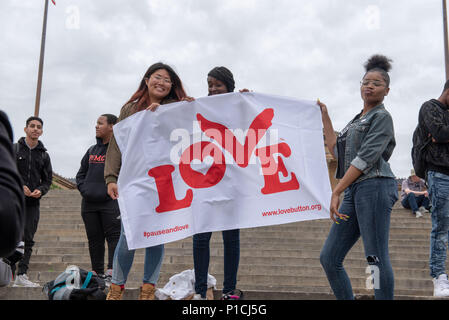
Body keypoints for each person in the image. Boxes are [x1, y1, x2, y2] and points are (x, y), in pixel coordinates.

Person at [104, 62, 188, 300]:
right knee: (127, 234)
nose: (161, 83)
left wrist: (181, 110)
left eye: (167, 80)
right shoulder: (130, 109)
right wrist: (111, 177)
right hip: (135, 179)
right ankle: (116, 289)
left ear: (172, 86)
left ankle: (147, 291)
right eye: (157, 77)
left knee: (157, 234)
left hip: (164, 179)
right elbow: (116, 145)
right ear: (147, 79)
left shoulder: (177, 108)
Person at [318, 55, 398, 300]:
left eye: (376, 83)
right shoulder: (356, 121)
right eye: (366, 81)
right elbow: (337, 152)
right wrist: (325, 115)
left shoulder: (381, 118)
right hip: (355, 190)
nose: (369, 86)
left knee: (374, 256)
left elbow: (364, 159)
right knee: (329, 258)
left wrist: (336, 189)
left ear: (386, 91)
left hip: (375, 186)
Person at [191, 66, 245, 300]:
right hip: (205, 182)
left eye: (218, 85)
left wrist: (248, 100)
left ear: (229, 86)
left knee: (231, 238)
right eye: (210, 84)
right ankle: (201, 291)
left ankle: (230, 291)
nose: (213, 89)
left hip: (231, 183)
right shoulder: (200, 106)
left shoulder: (239, 106)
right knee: (200, 237)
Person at [76, 114, 121, 284]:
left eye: (100, 123)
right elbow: (80, 175)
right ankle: (97, 273)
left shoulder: (118, 151)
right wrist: (84, 189)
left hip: (110, 202)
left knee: (114, 238)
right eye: (96, 123)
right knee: (94, 239)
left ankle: (112, 273)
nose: (96, 126)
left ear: (112, 126)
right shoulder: (91, 151)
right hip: (89, 203)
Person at [11, 116, 52, 287]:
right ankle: (10, 274)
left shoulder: (44, 155)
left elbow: (47, 180)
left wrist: (40, 191)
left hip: (33, 204)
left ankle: (22, 274)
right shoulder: (13, 149)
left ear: (41, 131)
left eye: (39, 127)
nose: (35, 129)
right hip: (13, 201)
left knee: (28, 238)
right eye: (32, 126)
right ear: (25, 129)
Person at [418, 80, 449, 296]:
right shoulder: (430, 107)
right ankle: (439, 276)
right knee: (441, 226)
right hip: (440, 174)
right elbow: (440, 133)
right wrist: (440, 136)